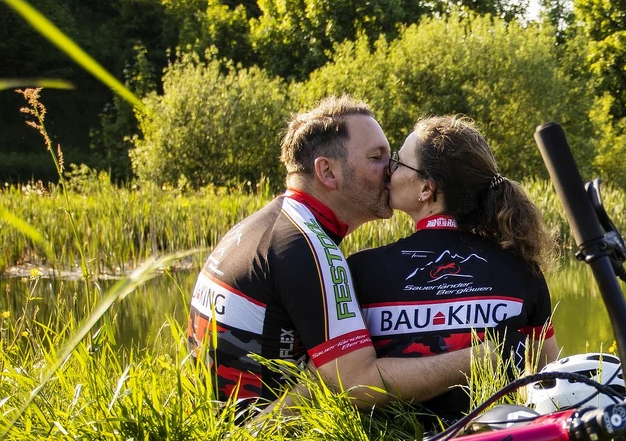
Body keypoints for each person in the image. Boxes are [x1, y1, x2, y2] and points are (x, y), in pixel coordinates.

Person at [188, 96, 478, 411]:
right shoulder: (306, 245)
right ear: (328, 172)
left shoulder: (271, 225)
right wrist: (482, 357)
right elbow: (358, 384)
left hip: (220, 427)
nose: (391, 168)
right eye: (376, 157)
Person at [348, 115, 559, 424]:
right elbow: (551, 381)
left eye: (399, 163)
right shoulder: (522, 269)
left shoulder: (362, 270)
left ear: (427, 188)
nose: (389, 172)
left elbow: (341, 382)